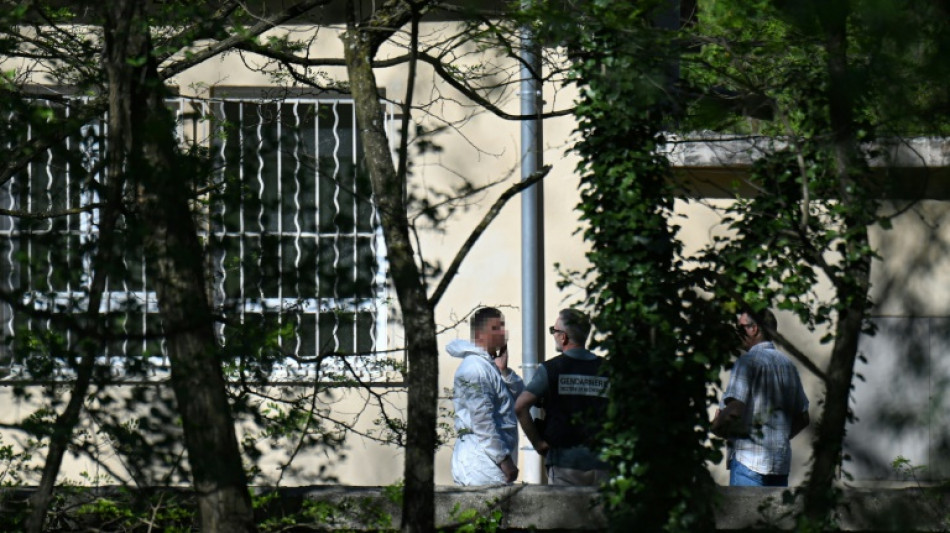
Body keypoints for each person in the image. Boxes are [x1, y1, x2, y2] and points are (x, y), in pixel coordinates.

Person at [712, 309, 810, 487]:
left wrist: (717, 427)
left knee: (744, 515)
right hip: (779, 465)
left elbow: (735, 410)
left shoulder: (747, 362)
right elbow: (803, 418)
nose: (736, 332)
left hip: (747, 464)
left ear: (754, 329)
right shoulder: (788, 366)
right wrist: (780, 437)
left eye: (739, 327)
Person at [515, 308, 609, 486]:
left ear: (563, 337)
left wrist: (538, 443)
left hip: (564, 464)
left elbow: (520, 406)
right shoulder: (606, 369)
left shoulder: (551, 369)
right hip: (602, 462)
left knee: (566, 514)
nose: (553, 335)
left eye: (554, 330)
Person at [449, 307, 525, 485]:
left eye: (503, 327)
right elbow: (482, 420)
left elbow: (522, 398)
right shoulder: (475, 369)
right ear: (479, 335)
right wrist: (504, 460)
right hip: (481, 465)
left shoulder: (488, 368)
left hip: (487, 463)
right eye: (495, 328)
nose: (503, 333)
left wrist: (504, 372)